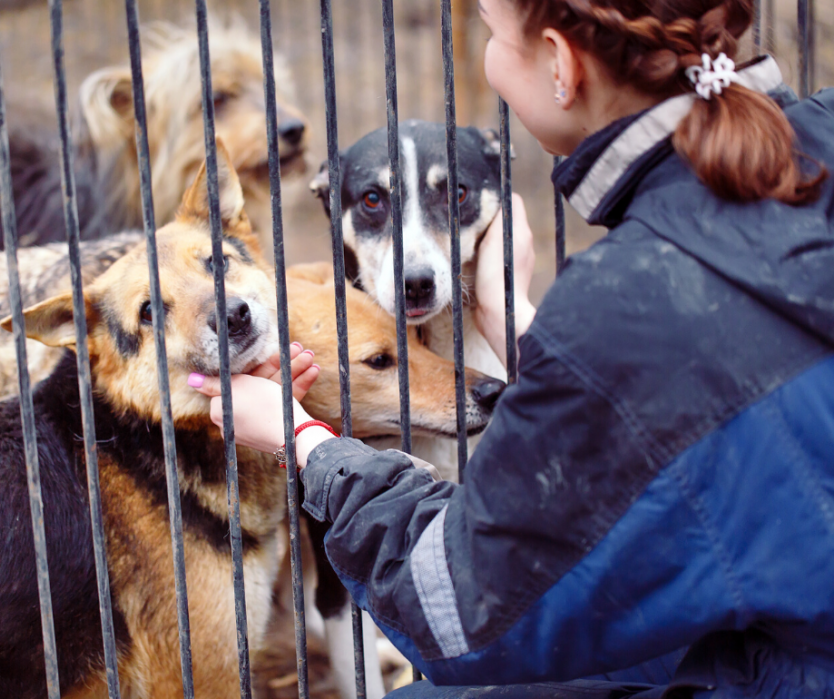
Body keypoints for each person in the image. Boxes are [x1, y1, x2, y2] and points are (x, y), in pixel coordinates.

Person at [189, 0, 834, 695]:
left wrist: (300, 436)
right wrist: (507, 311)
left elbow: (454, 612)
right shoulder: (813, 137)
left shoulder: (625, 293)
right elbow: (660, 415)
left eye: (492, 34)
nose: (488, 58)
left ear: (560, 64)